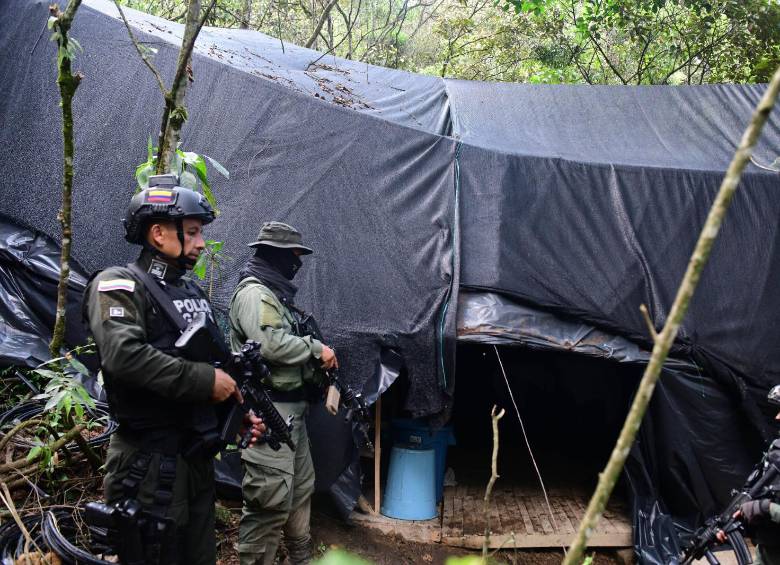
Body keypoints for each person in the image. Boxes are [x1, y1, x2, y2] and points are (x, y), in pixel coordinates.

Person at [83, 175, 262, 565]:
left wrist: (235, 411)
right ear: (159, 233)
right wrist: (206, 382)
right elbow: (123, 356)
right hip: (147, 466)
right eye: (194, 232)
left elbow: (213, 365)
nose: (201, 242)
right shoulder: (118, 284)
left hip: (195, 461)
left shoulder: (191, 293)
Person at [228, 221, 338, 565]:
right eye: (293, 256)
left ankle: (300, 557)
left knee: (301, 487)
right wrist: (315, 349)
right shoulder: (255, 294)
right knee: (269, 499)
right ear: (275, 256)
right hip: (266, 413)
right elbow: (270, 344)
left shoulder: (276, 295)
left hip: (293, 412)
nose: (297, 263)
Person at [717, 384, 780, 565]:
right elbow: (759, 492)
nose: (777, 417)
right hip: (769, 546)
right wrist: (730, 523)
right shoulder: (776, 450)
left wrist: (766, 508)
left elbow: (765, 505)